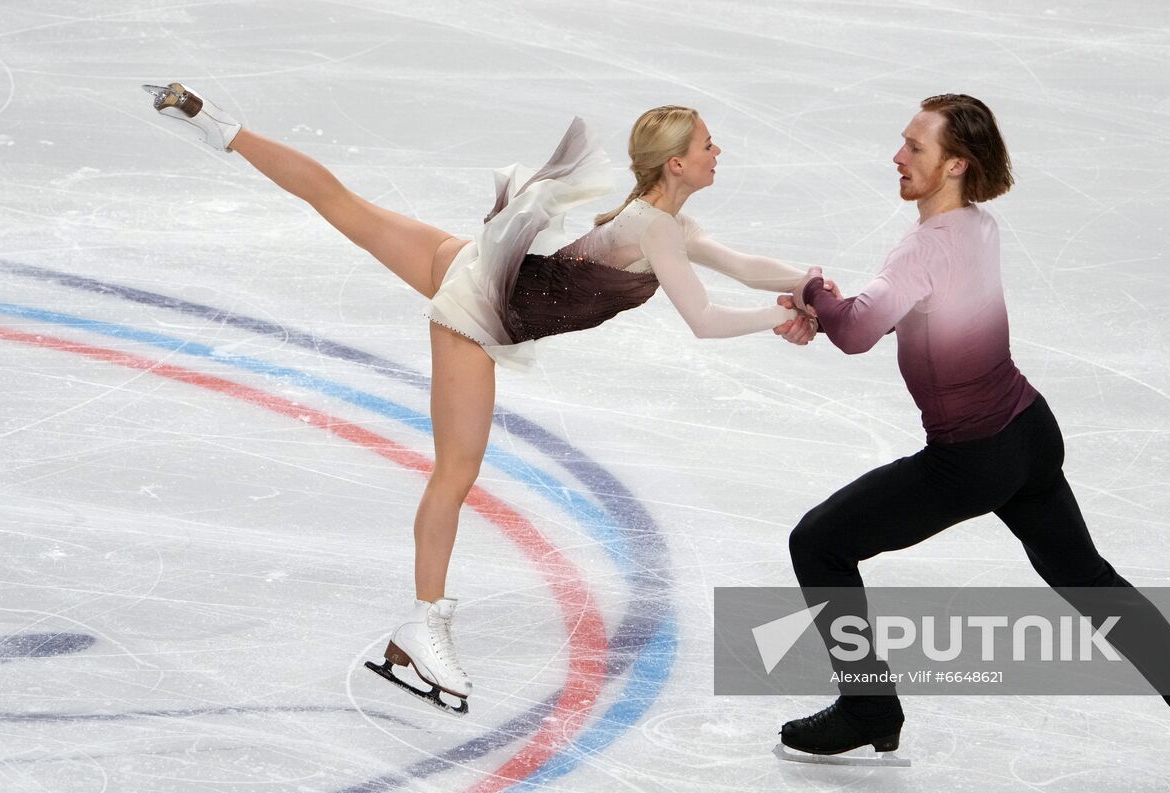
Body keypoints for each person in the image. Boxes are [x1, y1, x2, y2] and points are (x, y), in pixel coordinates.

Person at [142, 82, 821, 713]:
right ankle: (422, 624)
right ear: (675, 164)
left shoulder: (661, 222)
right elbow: (702, 318)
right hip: (477, 307)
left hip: (474, 259)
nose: (716, 152)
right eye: (706, 144)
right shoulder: (658, 231)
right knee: (455, 472)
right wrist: (781, 315)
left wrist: (817, 285)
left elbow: (746, 266)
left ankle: (221, 126)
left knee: (342, 203)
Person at [777, 94, 1170, 793]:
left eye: (915, 148)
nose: (897, 156)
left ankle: (868, 704)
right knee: (1096, 586)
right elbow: (912, 311)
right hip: (1030, 437)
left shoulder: (923, 245)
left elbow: (861, 331)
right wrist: (835, 310)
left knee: (818, 543)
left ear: (956, 163)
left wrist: (815, 294)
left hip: (971, 459)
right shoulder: (977, 228)